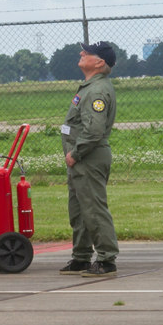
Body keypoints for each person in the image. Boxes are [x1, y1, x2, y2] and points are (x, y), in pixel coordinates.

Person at [59, 41, 119, 277]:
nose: (82, 53)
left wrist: (75, 153)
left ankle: (106, 259)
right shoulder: (89, 86)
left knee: (93, 208)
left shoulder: (96, 91)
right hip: (82, 158)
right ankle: (82, 257)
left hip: (88, 157)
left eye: (88, 52)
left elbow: (94, 131)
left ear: (99, 62)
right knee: (79, 209)